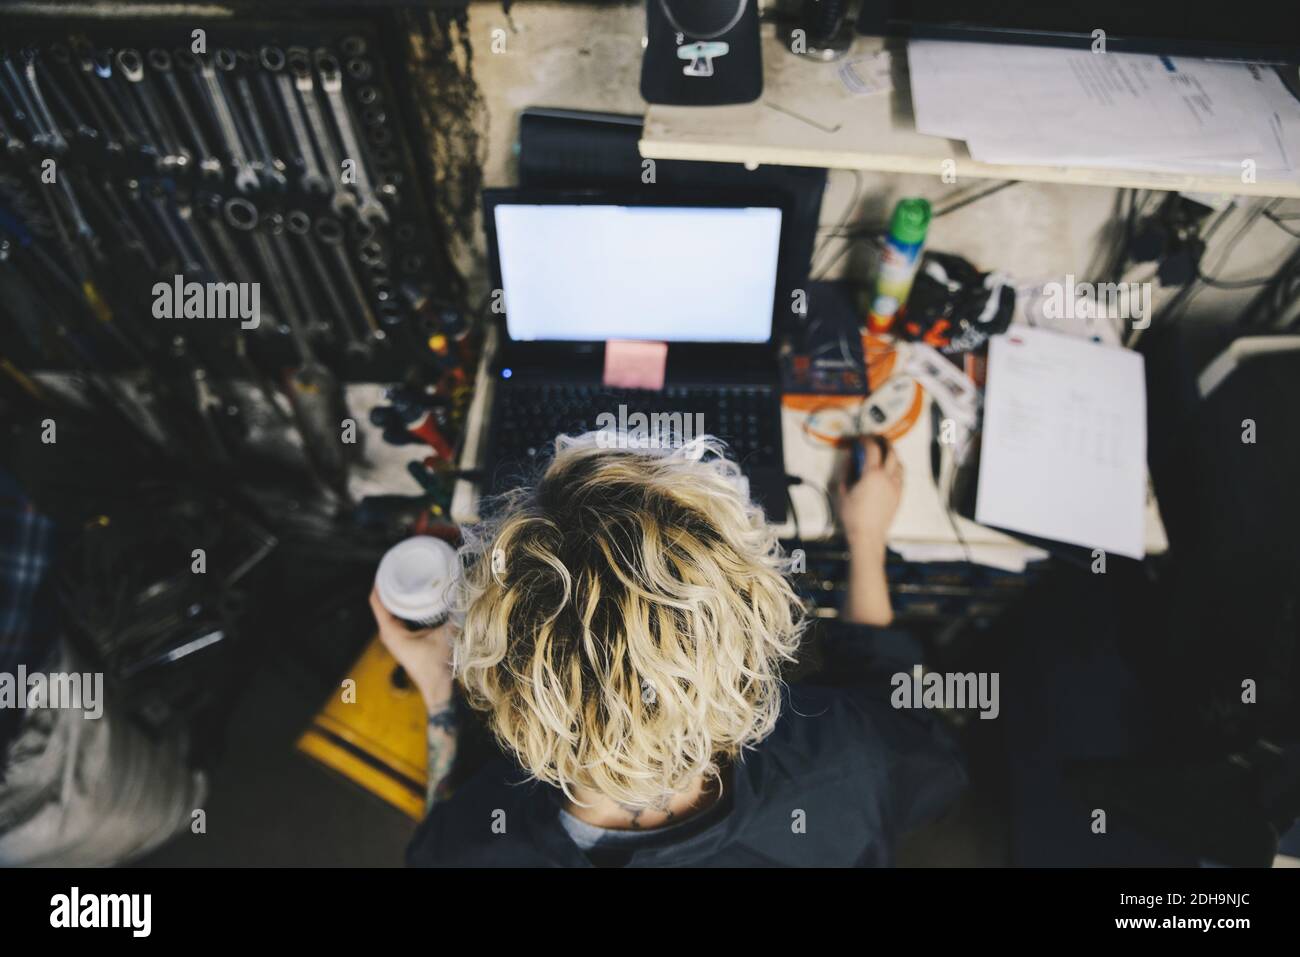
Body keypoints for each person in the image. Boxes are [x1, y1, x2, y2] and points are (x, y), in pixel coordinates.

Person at [373, 432, 965, 867]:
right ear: (757, 641)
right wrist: (865, 540)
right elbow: (900, 701)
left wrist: (436, 694)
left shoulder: (468, 851)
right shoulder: (850, 762)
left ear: (499, 690)